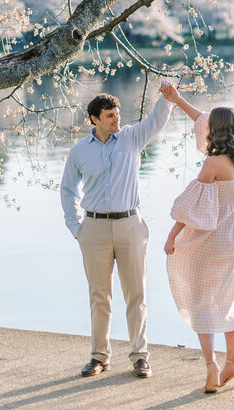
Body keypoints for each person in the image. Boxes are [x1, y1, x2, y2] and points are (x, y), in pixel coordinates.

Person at [60, 81, 175, 379]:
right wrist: (77, 228)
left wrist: (166, 98)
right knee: (99, 296)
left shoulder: (132, 138)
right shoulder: (79, 152)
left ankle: (140, 357)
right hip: (94, 228)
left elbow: (157, 121)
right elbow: (68, 191)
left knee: (136, 294)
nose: (116, 119)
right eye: (110, 115)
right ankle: (99, 356)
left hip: (130, 226)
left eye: (117, 114)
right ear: (95, 119)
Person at [161, 86, 234, 394]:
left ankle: (212, 368)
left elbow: (191, 206)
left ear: (218, 131)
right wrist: (177, 100)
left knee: (201, 301)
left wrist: (172, 236)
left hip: (212, 239)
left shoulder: (213, 164)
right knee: (228, 297)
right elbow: (202, 119)